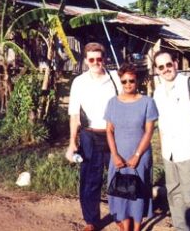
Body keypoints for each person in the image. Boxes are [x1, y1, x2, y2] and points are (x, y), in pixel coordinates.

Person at [153, 50, 190, 231]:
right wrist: (163, 149)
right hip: (169, 153)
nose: (166, 69)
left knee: (189, 199)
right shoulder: (157, 92)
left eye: (168, 65)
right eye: (161, 67)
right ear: (157, 70)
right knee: (174, 195)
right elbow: (161, 123)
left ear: (176, 64)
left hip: (189, 151)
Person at [65, 42, 121, 231]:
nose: (96, 62)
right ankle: (91, 221)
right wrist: (72, 142)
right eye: (92, 60)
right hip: (89, 135)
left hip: (114, 134)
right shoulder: (79, 82)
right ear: (86, 61)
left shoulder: (115, 78)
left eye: (99, 58)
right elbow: (74, 115)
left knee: (119, 176)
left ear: (105, 59)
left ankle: (122, 215)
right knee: (90, 179)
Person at [104, 63, 158, 231]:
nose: (128, 84)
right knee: (121, 194)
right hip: (118, 156)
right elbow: (109, 131)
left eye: (131, 81)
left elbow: (149, 132)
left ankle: (137, 228)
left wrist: (137, 155)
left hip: (140, 156)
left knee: (138, 193)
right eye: (124, 81)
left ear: (137, 81)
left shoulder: (148, 102)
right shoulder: (112, 103)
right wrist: (114, 155)